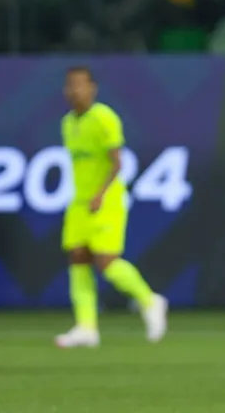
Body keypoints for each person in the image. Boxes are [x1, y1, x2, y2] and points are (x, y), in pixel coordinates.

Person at [55, 66, 168, 348]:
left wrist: (100, 194)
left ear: (92, 88)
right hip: (79, 201)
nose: (75, 91)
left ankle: (150, 300)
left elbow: (117, 162)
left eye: (80, 85)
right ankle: (86, 327)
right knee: (78, 258)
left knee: (106, 262)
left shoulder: (104, 117)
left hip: (106, 200)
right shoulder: (68, 123)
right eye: (70, 85)